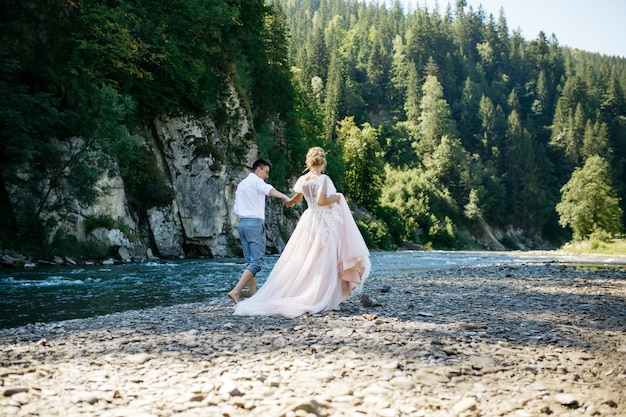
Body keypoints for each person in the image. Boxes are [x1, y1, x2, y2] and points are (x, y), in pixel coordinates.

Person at [233, 147, 371, 318]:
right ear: (323, 162)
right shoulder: (324, 179)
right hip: (323, 221)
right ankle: (323, 297)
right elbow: (322, 201)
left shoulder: (303, 179)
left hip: (309, 219)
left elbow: (298, 198)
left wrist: (289, 202)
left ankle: (307, 291)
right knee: (325, 259)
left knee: (307, 259)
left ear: (308, 162)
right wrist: (339, 197)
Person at [228, 158, 290, 304]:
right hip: (254, 224)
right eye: (266, 172)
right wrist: (285, 197)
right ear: (258, 170)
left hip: (242, 224)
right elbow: (268, 190)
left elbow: (237, 211)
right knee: (257, 262)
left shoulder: (242, 185)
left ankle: (253, 296)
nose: (267, 176)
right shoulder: (256, 181)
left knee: (250, 262)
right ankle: (236, 291)